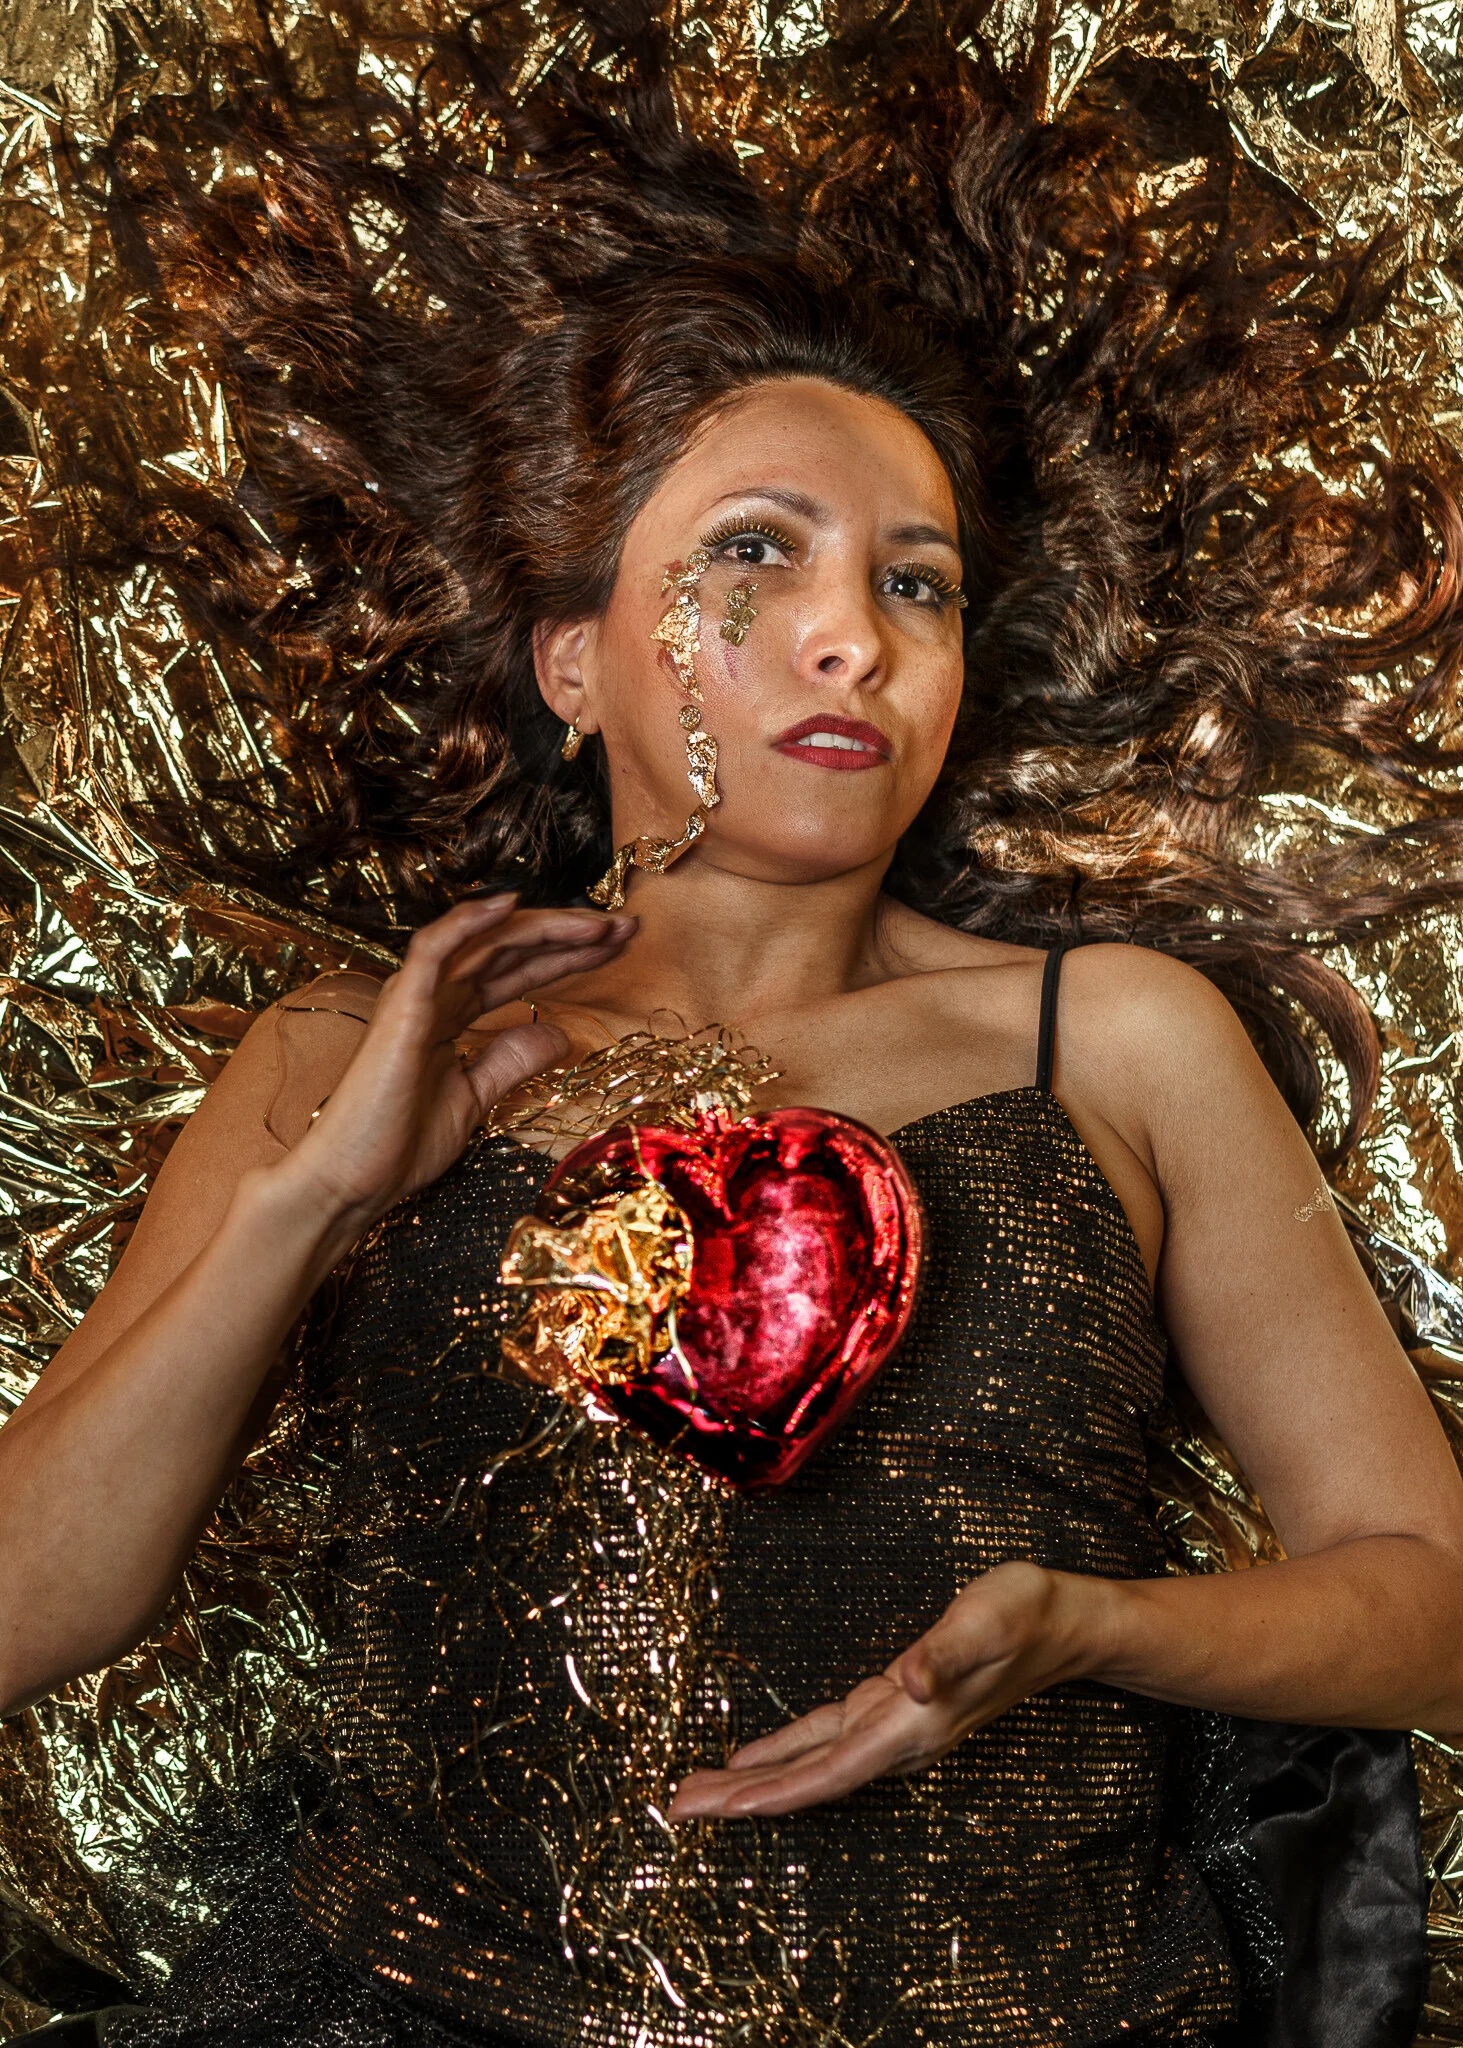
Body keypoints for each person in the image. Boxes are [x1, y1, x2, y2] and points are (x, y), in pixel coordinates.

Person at [2, 12, 1463, 2045]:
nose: (850, 635)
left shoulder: (1116, 1042)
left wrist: (1091, 1628)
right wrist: (308, 1198)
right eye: (751, 556)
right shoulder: (343, 1055)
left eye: (916, 584)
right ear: (571, 661)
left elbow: (1429, 1603)